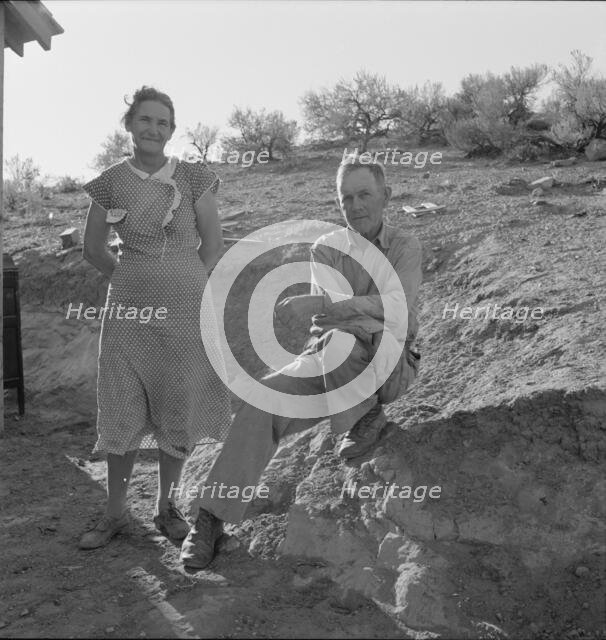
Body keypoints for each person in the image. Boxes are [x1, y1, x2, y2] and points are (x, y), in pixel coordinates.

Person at [180, 154, 422, 569]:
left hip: (388, 364)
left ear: (386, 195)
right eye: (346, 198)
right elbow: (328, 323)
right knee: (264, 399)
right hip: (330, 360)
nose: (356, 205)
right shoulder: (325, 250)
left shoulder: (404, 247)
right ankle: (211, 519)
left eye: (365, 194)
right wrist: (355, 313)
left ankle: (360, 420)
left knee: (346, 337)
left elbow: (399, 312)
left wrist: (338, 307)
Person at [79, 86, 231, 549]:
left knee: (176, 406)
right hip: (128, 313)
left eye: (163, 122)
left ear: (172, 130)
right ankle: (115, 514)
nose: (153, 129)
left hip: (185, 312)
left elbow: (213, 245)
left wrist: (184, 284)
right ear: (129, 125)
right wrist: (131, 278)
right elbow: (92, 248)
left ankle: (167, 509)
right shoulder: (108, 182)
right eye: (145, 120)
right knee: (121, 407)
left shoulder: (192, 178)